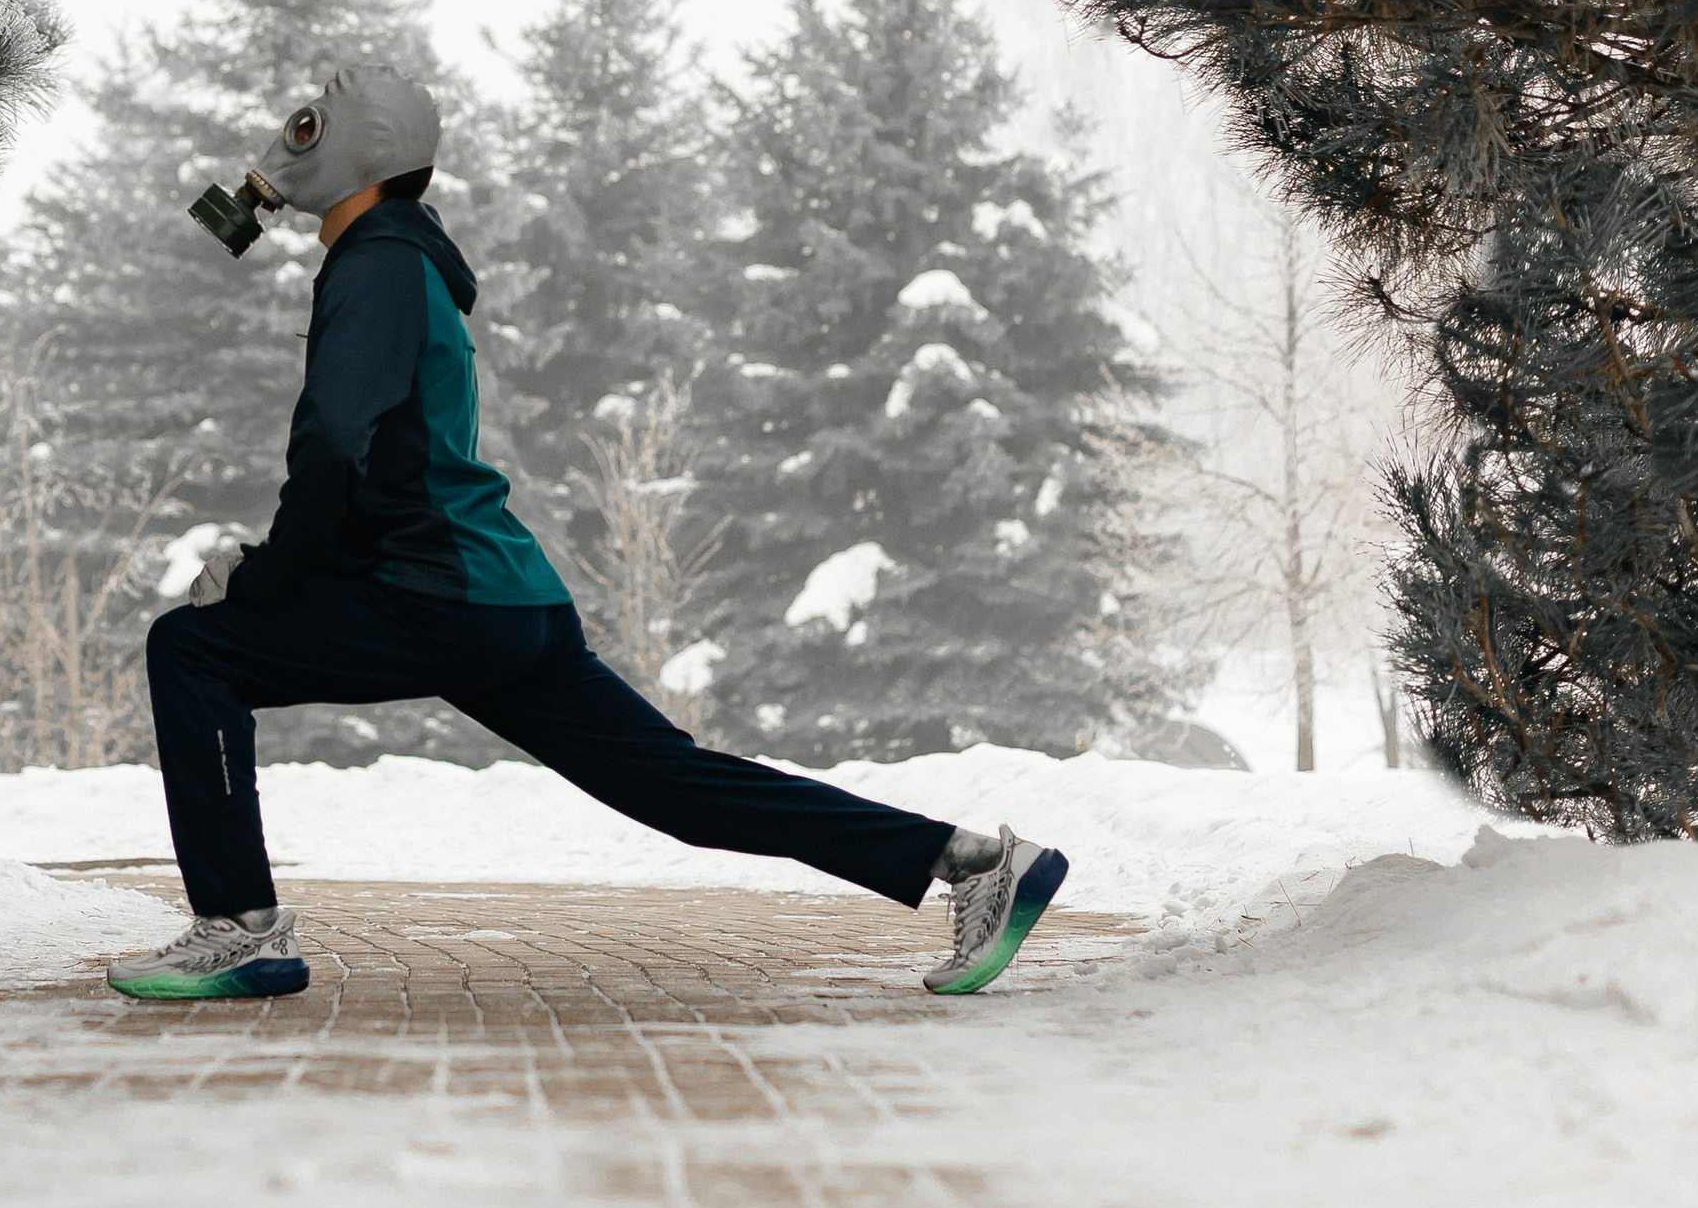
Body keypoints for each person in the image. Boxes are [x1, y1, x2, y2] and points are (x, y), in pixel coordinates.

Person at [108, 65, 1068, 1004]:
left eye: (318, 124)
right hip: (502, 600)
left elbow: (333, 444)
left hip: (437, 597)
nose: (294, 139)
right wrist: (280, 567)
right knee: (679, 787)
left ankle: (239, 931)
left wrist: (267, 577)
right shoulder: (409, 265)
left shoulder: (377, 267)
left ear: (365, 153)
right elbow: (381, 466)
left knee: (193, 650)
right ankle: (975, 862)